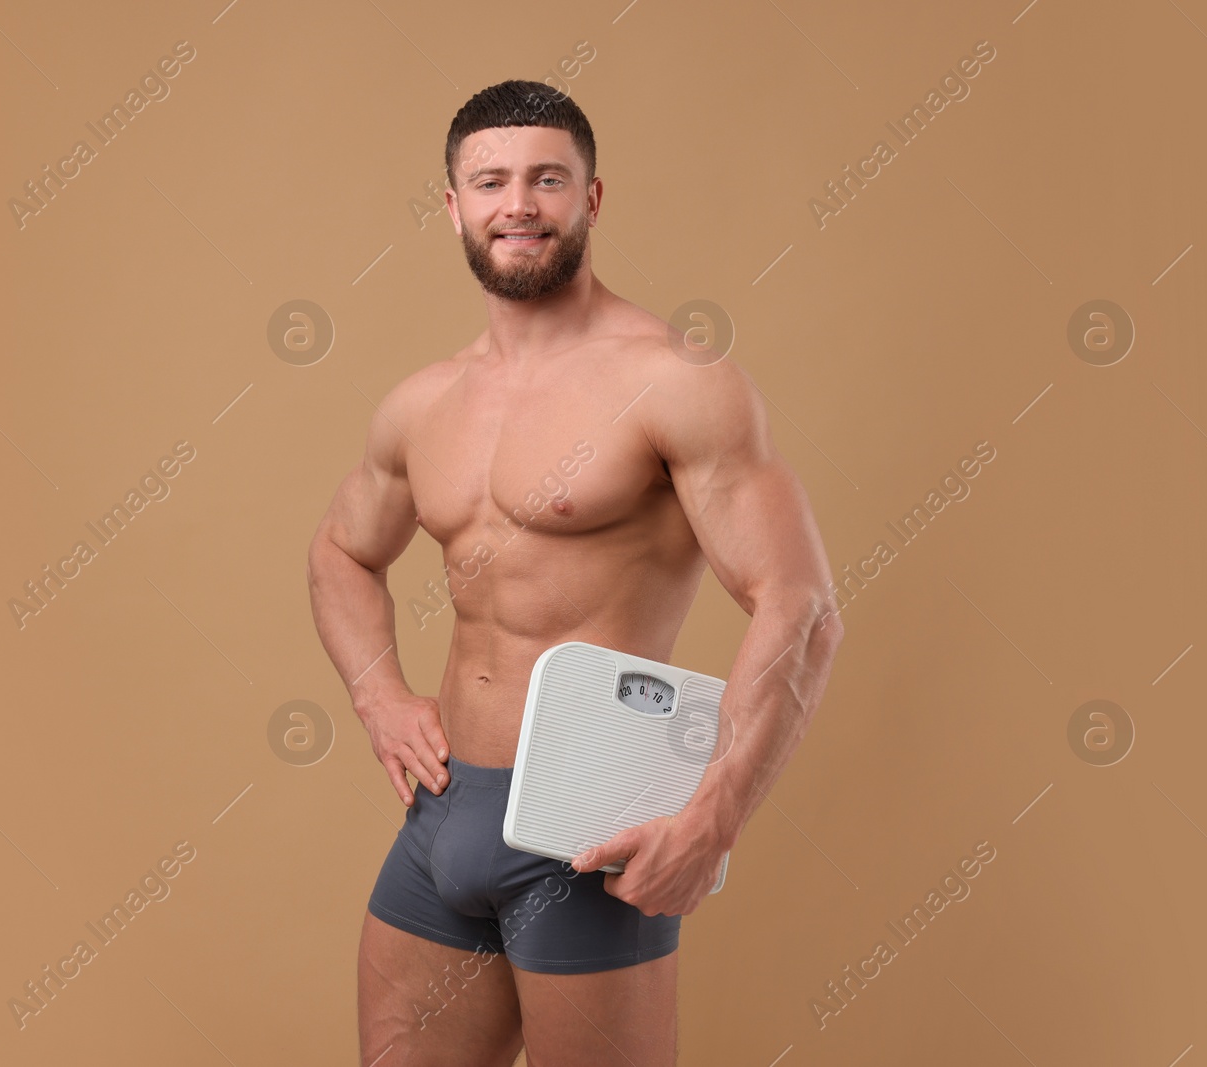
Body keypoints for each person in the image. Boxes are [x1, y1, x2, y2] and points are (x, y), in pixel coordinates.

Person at [307, 79, 843, 1067]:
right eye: (491, 181)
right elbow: (341, 552)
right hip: (440, 819)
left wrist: (714, 815)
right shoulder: (423, 403)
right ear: (453, 207)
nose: (518, 204)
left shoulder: (675, 381)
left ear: (591, 198)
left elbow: (800, 606)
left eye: (546, 179)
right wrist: (378, 691)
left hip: (586, 829)